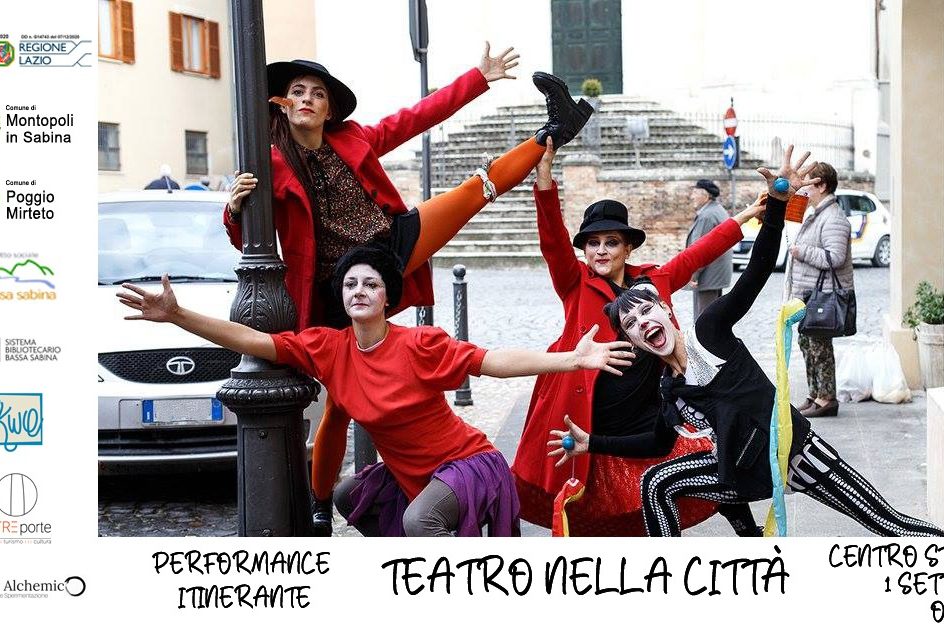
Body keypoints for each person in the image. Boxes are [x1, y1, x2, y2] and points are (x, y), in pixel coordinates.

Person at [549, 146, 944, 538]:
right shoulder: (669, 388)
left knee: (887, 523)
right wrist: (591, 443)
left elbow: (756, 271)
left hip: (792, 450)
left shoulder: (710, 331)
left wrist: (776, 206)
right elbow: (657, 441)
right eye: (631, 324)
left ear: (667, 311)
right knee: (658, 482)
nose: (642, 323)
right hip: (744, 472)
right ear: (634, 341)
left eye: (647, 311)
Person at [115, 244, 634, 537]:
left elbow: (492, 362)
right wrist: (178, 315)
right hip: (408, 473)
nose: (359, 290)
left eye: (370, 284)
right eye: (350, 284)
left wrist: (571, 359)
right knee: (349, 495)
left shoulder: (419, 345)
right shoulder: (327, 347)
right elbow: (254, 340)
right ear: (343, 298)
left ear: (387, 298)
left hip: (466, 463)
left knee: (420, 520)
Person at [225, 48, 592, 332]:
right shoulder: (272, 164)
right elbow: (248, 243)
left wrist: (477, 78)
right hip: (341, 279)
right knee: (346, 376)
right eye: (298, 92)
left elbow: (415, 118)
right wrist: (235, 209)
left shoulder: (352, 138)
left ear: (329, 111)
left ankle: (557, 130)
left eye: (318, 94)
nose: (307, 98)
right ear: (283, 105)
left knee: (476, 189)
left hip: (391, 242)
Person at [511, 138, 767, 535]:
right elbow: (553, 241)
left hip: (652, 410)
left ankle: (753, 541)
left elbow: (700, 252)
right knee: (605, 506)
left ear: (628, 247)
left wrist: (749, 213)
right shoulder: (575, 284)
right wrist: (544, 176)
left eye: (611, 242)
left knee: (711, 472)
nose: (601, 251)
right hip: (600, 413)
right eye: (593, 243)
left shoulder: (654, 281)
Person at [786, 161, 853, 418]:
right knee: (807, 342)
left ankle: (826, 399)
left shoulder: (833, 217)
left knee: (820, 347)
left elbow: (835, 257)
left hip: (823, 295)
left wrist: (801, 251)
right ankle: (815, 395)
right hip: (811, 293)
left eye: (809, 183)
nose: (804, 188)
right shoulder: (817, 213)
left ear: (822, 185)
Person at [686, 179, 732, 319]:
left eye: (695, 193)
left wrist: (693, 274)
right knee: (713, 316)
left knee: (703, 318)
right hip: (716, 274)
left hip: (708, 275)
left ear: (705, 196)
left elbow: (700, 248)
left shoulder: (707, 216)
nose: (692, 196)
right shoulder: (718, 209)